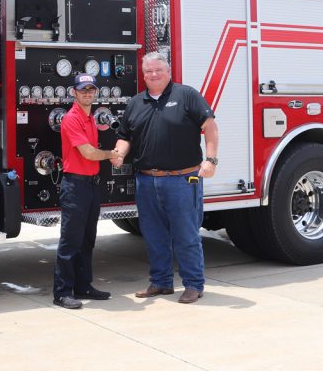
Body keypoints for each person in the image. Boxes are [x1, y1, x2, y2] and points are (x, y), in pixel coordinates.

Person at [110, 52, 219, 304]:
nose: (154, 74)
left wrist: (211, 160)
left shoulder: (186, 95)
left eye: (158, 69)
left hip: (183, 180)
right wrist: (118, 154)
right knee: (153, 235)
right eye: (148, 71)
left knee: (186, 234)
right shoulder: (136, 102)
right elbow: (125, 136)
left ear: (168, 71)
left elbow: (210, 126)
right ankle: (161, 282)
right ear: (143, 74)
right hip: (147, 180)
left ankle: (193, 284)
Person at [53, 73, 118, 309]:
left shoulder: (90, 118)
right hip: (75, 186)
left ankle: (83, 286)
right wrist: (112, 154)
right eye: (83, 90)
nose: (87, 93)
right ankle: (62, 292)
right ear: (74, 92)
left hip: (91, 184)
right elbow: (88, 153)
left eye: (91, 90)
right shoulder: (71, 118)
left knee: (87, 239)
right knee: (70, 241)